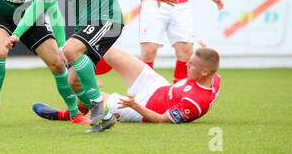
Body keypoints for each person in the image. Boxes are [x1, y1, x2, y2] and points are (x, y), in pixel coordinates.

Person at [4, 0, 178, 132]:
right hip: (86, 27)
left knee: (69, 49)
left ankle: (97, 106)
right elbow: (36, 8)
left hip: (108, 19)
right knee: (74, 82)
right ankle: (105, 117)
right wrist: (17, 34)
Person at [34, 42, 221, 124]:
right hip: (157, 86)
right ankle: (87, 77)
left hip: (144, 108)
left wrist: (135, 105)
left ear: (204, 72)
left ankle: (68, 114)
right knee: (111, 52)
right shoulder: (213, 77)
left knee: (82, 89)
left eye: (193, 64)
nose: (187, 64)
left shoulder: (195, 103)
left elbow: (162, 119)